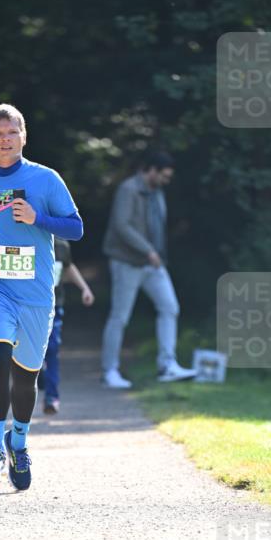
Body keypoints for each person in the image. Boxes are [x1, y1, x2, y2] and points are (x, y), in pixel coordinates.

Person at [0, 103, 83, 490]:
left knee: (25, 375)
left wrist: (37, 218)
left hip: (36, 293)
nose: (6, 140)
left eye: (12, 132)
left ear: (23, 137)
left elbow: (75, 228)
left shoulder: (45, 180)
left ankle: (19, 442)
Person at [101, 150, 196, 387]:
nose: (166, 180)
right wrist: (148, 250)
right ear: (151, 170)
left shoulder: (157, 192)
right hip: (128, 262)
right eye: (163, 175)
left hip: (153, 263)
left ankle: (167, 366)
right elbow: (122, 225)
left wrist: (156, 253)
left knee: (170, 307)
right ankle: (109, 371)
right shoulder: (129, 190)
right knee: (120, 317)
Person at [41, 238, 94, 414]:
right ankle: (38, 372)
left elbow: (69, 266)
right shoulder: (27, 240)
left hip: (55, 305)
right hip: (30, 305)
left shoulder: (62, 246)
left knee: (53, 348)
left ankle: (51, 397)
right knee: (30, 348)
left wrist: (84, 288)